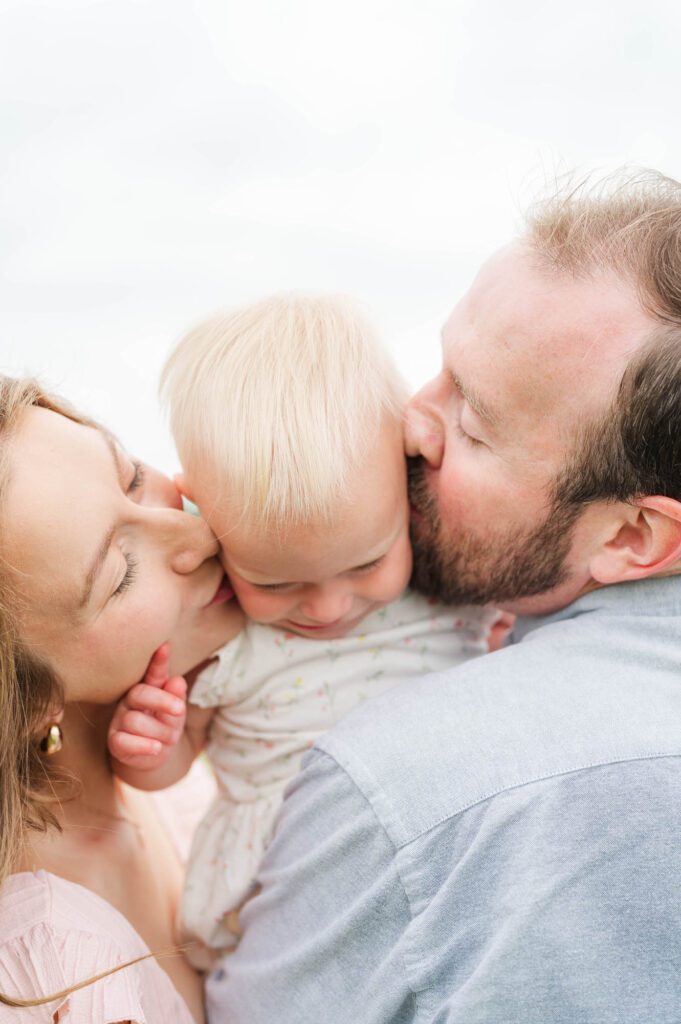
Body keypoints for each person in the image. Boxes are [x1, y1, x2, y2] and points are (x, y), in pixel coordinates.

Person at [204, 170, 681, 1023]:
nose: (411, 423)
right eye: (439, 370)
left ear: (628, 538)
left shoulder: (399, 786)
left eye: (472, 424)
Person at [107, 294, 497, 964]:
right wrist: (149, 748)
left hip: (442, 861)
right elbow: (175, 765)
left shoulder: (446, 597)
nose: (325, 607)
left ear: (408, 477)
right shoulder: (225, 637)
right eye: (276, 582)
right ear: (201, 507)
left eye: (366, 561)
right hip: (281, 900)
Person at [0, 377, 242, 1022]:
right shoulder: (51, 966)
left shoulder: (177, 779)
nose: (195, 535)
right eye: (121, 574)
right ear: (27, 703)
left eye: (132, 475)